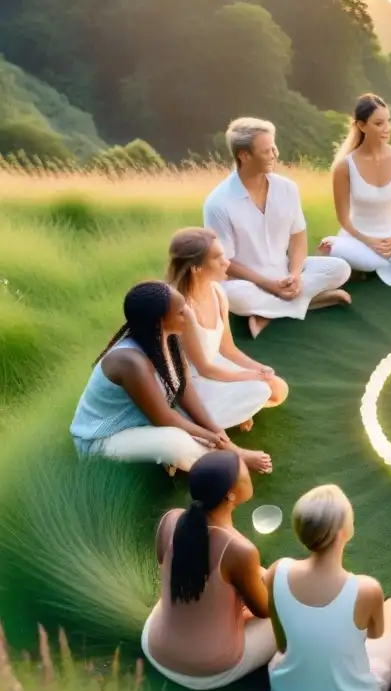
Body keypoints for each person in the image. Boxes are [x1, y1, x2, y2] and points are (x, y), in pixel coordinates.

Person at [69, 281, 271, 475]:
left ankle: (214, 454)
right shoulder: (130, 361)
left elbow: (184, 390)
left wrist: (217, 432)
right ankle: (231, 462)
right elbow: (163, 418)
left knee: (231, 402)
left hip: (145, 420)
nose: (188, 315)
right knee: (175, 444)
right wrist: (219, 442)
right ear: (160, 321)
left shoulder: (168, 337)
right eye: (180, 312)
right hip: (102, 438)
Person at [266, 484, 391, 691]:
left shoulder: (277, 571)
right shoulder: (366, 589)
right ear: (343, 531)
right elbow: (374, 635)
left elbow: (282, 645)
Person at [203, 117, 353, 339]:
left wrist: (294, 275)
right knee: (224, 294)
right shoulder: (218, 203)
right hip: (246, 283)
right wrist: (268, 284)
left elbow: (298, 236)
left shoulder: (287, 189)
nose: (274, 154)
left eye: (274, 147)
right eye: (266, 151)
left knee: (340, 268)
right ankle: (306, 302)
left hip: (285, 272)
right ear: (244, 156)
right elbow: (225, 262)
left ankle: (269, 313)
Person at [140, 450, 277, 690]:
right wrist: (273, 578)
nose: (249, 473)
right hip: (202, 671)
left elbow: (177, 572)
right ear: (231, 495)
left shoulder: (170, 520)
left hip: (155, 645)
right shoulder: (239, 550)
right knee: (286, 610)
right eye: (245, 472)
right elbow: (265, 610)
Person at [165, 227, 288, 432]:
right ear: (196, 267)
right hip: (193, 382)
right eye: (218, 257)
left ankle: (235, 411)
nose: (227, 262)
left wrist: (259, 369)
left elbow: (228, 349)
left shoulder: (217, 291)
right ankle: (197, 422)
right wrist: (251, 377)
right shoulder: (182, 309)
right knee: (258, 389)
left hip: (217, 366)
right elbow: (203, 368)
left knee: (277, 387)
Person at [317, 94, 391, 287]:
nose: (387, 129)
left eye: (389, 121)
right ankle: (358, 256)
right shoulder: (344, 167)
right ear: (361, 125)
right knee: (364, 257)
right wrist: (369, 241)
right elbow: (344, 219)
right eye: (379, 123)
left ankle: (370, 263)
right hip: (358, 237)